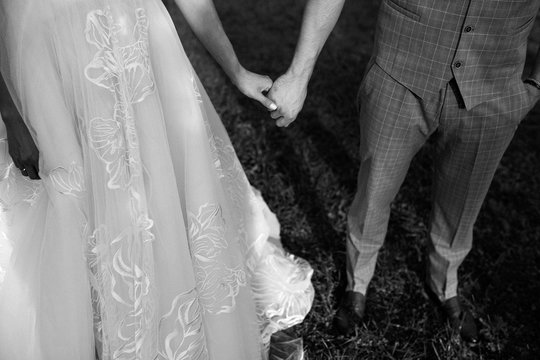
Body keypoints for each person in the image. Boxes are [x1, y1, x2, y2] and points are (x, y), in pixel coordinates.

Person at [0, 0, 314, 359]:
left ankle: (157, 317)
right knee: (71, 194)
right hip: (43, 44)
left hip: (133, 39)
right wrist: (10, 114)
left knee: (155, 187)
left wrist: (236, 70)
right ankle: (90, 325)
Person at [268, 0, 540, 341]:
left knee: (463, 203)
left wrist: (534, 87)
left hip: (494, 89)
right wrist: (298, 73)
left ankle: (446, 284)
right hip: (399, 74)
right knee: (374, 190)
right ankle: (358, 283)